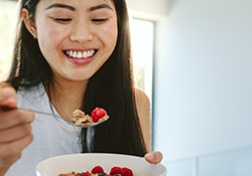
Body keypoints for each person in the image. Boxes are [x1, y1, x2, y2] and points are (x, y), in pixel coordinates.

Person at [0, 0, 163, 175]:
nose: (81, 36)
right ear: (31, 23)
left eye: (99, 19)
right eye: (61, 18)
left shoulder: (135, 103)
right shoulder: (6, 105)